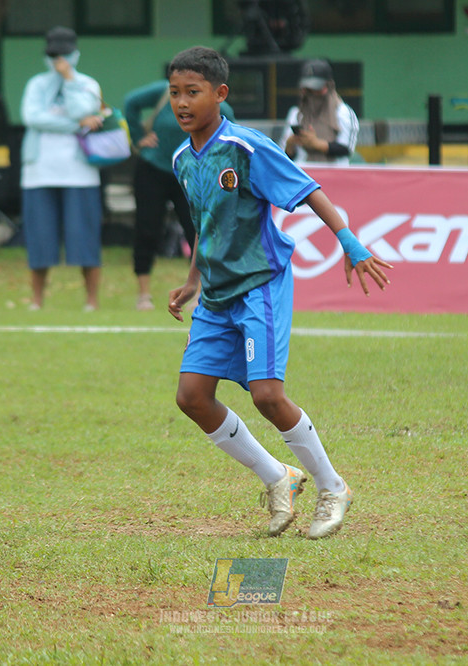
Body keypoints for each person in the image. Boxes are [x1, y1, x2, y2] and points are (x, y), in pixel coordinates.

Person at [166, 47, 391, 539]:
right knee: (192, 397)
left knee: (267, 395)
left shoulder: (245, 147)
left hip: (260, 285)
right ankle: (278, 476)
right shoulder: (182, 158)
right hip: (216, 295)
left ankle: (333, 487)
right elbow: (206, 222)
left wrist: (350, 242)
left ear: (220, 94)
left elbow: (309, 189)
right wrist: (193, 279)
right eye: (175, 93)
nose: (181, 103)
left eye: (192, 92)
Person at [123, 79, 235, 311]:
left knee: (197, 230)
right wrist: (138, 137)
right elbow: (131, 102)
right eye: (176, 91)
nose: (182, 101)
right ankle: (143, 295)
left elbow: (231, 136)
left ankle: (200, 291)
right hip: (154, 169)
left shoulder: (217, 105)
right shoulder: (163, 92)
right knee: (147, 229)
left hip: (192, 172)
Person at [20, 26, 104, 311]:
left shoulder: (87, 84)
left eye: (64, 54)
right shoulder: (36, 84)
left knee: (84, 238)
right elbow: (32, 118)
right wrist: (76, 125)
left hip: (80, 173)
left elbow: (84, 111)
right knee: (40, 238)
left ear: (75, 54)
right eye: (54, 55)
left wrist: (69, 80)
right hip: (38, 172)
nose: (59, 60)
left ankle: (91, 301)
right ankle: (36, 300)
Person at [278, 59, 359, 166]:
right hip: (303, 173)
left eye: (315, 89)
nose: (312, 93)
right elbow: (285, 156)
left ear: (328, 86)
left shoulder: (343, 112)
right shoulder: (296, 113)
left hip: (335, 172)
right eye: (308, 89)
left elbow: (346, 148)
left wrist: (316, 143)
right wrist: (290, 144)